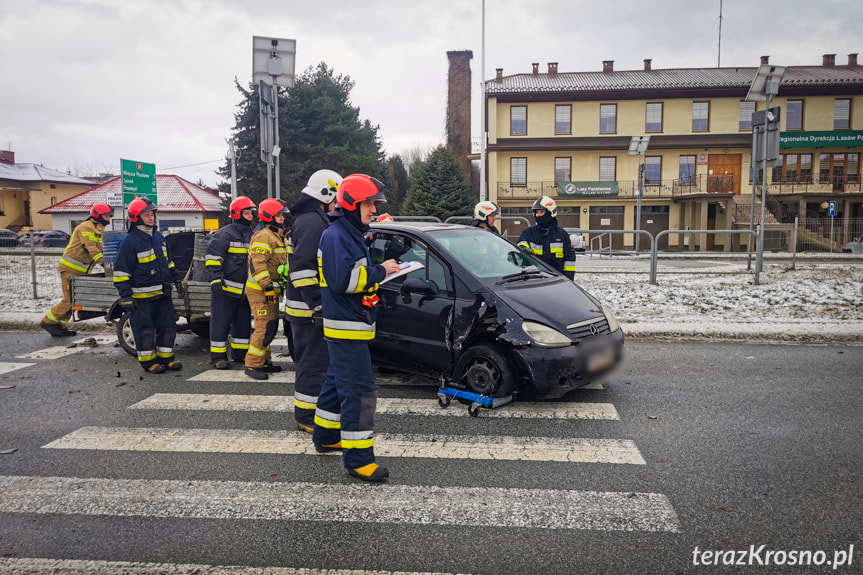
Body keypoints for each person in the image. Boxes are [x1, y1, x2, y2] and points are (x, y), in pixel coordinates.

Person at [313, 174, 401, 483]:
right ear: (351, 203)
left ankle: (325, 436)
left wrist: (377, 270)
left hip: (349, 324)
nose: (374, 210)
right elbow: (344, 281)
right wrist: (381, 271)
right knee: (360, 392)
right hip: (347, 326)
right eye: (370, 204)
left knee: (337, 380)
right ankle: (359, 459)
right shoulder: (338, 236)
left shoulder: (348, 233)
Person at [284, 170, 343, 432]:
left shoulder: (314, 219)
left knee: (319, 362)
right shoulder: (311, 222)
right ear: (326, 193)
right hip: (307, 310)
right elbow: (304, 269)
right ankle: (306, 417)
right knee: (312, 364)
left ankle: (316, 411)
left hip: (308, 308)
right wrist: (318, 305)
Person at [112, 198, 184, 374]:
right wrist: (126, 296)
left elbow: (169, 263)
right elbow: (121, 272)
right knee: (145, 331)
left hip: (163, 294)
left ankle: (166, 359)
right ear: (136, 217)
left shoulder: (159, 238)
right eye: (147, 215)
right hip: (142, 299)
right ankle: (148, 362)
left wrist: (177, 280)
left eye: (152, 214)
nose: (151, 218)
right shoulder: (129, 242)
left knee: (168, 327)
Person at [40, 203, 114, 337]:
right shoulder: (85, 227)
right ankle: (48, 322)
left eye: (109, 216)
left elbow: (102, 248)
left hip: (81, 270)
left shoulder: (98, 229)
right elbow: (91, 248)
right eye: (106, 216)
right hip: (70, 268)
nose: (108, 218)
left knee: (74, 300)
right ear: (97, 215)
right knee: (69, 300)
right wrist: (104, 263)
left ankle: (60, 326)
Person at [204, 196, 256, 369]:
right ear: (236, 214)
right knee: (220, 324)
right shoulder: (224, 234)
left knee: (242, 324)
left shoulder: (252, 234)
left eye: (251, 212)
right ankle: (218, 358)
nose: (250, 216)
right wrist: (216, 279)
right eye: (246, 212)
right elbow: (212, 259)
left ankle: (240, 355)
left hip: (244, 291)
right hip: (225, 290)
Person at [244, 197, 289, 381]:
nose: (282, 218)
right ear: (269, 216)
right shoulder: (264, 235)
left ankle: (264, 361)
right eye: (278, 215)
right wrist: (268, 287)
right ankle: (252, 364)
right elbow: (258, 265)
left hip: (270, 291)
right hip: (260, 291)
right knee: (264, 327)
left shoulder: (277, 234)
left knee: (270, 325)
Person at [517, 196, 576, 280]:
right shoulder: (529, 233)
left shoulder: (562, 235)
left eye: (541, 212)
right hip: (533, 279)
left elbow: (569, 261)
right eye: (536, 212)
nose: (538, 215)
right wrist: (524, 248)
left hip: (557, 280)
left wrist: (568, 281)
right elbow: (521, 243)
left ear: (551, 212)